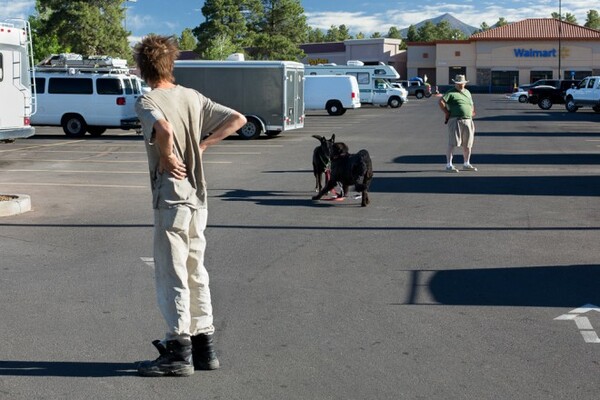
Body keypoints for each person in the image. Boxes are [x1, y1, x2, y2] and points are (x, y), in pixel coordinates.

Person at [133, 35, 246, 377]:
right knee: (197, 270)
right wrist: (204, 144)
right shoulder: (193, 97)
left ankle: (177, 350)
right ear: (171, 64)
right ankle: (204, 348)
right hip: (198, 198)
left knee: (172, 274)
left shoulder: (147, 99)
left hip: (171, 199)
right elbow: (238, 118)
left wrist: (167, 156)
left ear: (142, 68)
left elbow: (163, 128)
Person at [438, 74, 477, 172]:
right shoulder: (451, 92)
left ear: (465, 83)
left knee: (468, 143)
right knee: (452, 143)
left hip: (468, 120)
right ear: (455, 83)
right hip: (456, 120)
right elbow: (441, 101)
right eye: (459, 83)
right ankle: (449, 165)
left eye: (462, 83)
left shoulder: (467, 92)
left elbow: (471, 103)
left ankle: (466, 163)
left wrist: (472, 111)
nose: (461, 85)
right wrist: (447, 112)